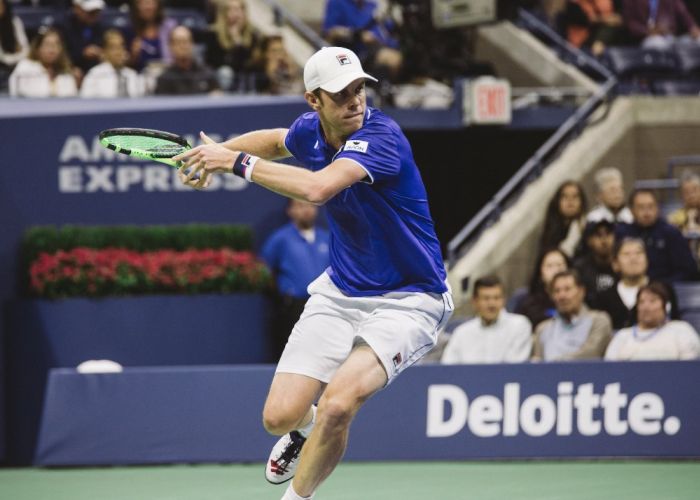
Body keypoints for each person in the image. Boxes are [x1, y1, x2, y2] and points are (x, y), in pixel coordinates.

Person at [172, 46, 453, 500]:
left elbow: (319, 188)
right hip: (341, 292)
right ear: (313, 101)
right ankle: (302, 432)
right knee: (278, 418)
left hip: (409, 300)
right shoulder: (313, 131)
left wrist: (235, 163)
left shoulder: (382, 137)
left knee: (338, 405)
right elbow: (278, 139)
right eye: (341, 94)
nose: (355, 100)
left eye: (359, 88)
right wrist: (217, 152)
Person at [261, 199, 330, 360]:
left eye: (310, 206)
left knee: (324, 354)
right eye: (300, 206)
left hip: (324, 305)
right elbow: (263, 268)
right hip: (293, 306)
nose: (306, 210)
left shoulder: (327, 238)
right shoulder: (280, 238)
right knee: (293, 356)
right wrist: (280, 293)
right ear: (290, 211)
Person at [592, 237, 679, 330]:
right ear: (615, 263)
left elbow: (674, 326)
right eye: (626, 254)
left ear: (647, 260)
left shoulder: (664, 290)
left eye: (639, 253)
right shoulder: (604, 297)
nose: (633, 258)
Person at [441, 276, 532, 364]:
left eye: (496, 298)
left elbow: (514, 368)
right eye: (486, 298)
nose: (492, 304)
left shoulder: (520, 325)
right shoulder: (461, 332)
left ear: (504, 300)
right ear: (475, 301)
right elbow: (448, 369)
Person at [616, 189, 698, 283]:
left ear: (658, 208)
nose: (646, 212)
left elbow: (688, 271)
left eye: (651, 206)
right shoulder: (623, 233)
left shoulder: (671, 233)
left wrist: (660, 286)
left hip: (666, 289)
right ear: (631, 210)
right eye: (641, 207)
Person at [605, 282, 700, 360]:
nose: (646, 307)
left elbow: (690, 368)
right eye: (641, 302)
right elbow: (609, 368)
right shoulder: (623, 335)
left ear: (666, 306)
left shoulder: (681, 330)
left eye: (652, 301)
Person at [532, 269, 612, 361]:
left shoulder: (599, 320)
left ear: (581, 291)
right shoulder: (542, 329)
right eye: (557, 291)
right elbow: (536, 363)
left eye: (567, 289)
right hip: (547, 375)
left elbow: (592, 354)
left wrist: (555, 364)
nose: (562, 296)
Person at [322, 0, 402, 82]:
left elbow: (390, 27)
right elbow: (331, 32)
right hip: (356, 52)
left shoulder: (372, 5)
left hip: (383, 46)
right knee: (392, 58)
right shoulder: (337, 3)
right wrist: (359, 35)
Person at [204, 0, 261, 92]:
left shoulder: (254, 35)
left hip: (244, 80)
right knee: (226, 72)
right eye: (231, 10)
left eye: (238, 10)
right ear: (224, 14)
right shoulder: (213, 34)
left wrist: (238, 42)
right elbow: (212, 62)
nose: (235, 14)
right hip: (220, 78)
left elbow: (250, 64)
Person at [9, 27, 78, 98]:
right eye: (47, 45)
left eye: (56, 45)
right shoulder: (25, 68)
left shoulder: (66, 72)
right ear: (37, 48)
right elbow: (15, 96)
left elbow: (72, 98)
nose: (52, 50)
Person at [515, 248, 571, 329]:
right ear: (540, 272)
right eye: (549, 266)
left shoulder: (577, 298)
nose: (556, 270)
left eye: (560, 265)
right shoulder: (526, 302)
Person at [154, 26, 219, 95]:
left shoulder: (207, 74)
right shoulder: (165, 79)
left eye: (185, 42)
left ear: (192, 44)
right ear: (171, 47)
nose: (182, 46)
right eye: (178, 42)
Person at [80, 29, 144, 97]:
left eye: (121, 46)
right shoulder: (95, 75)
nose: (119, 52)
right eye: (113, 48)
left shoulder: (132, 75)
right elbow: (85, 103)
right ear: (104, 52)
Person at [622, 0, 700, 49]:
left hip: (670, 38)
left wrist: (693, 27)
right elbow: (629, 23)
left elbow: (683, 13)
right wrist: (648, 31)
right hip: (647, 39)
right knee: (658, 42)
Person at [540, 180, 588, 258]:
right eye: (565, 196)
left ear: (582, 202)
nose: (570, 200)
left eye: (575, 196)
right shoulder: (550, 232)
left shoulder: (588, 227)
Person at [574, 219, 616, 305]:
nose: (604, 240)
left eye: (608, 234)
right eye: (598, 235)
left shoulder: (623, 264)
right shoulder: (580, 268)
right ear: (589, 241)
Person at [125, 0, 177, 71]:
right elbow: (125, 65)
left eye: (151, 3)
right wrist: (134, 56)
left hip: (166, 75)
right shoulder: (129, 30)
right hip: (138, 76)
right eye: (144, 3)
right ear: (137, 6)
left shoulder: (169, 27)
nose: (148, 7)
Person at [61, 0, 106, 74]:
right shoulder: (65, 27)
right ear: (76, 8)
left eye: (96, 12)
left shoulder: (100, 27)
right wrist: (82, 53)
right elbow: (62, 56)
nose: (94, 15)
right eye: (90, 12)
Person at [0, 0, 29, 90]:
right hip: (2, 65)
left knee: (27, 69)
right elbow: (1, 56)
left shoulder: (15, 22)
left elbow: (25, 48)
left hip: (18, 63)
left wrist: (18, 59)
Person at [667, 171, 700, 240]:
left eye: (694, 190)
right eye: (686, 192)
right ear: (681, 195)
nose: (691, 195)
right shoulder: (674, 218)